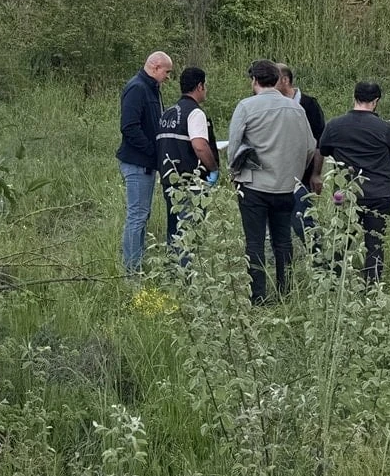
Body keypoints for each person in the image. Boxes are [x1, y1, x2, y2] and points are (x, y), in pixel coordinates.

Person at [228, 59, 316, 303]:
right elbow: (310, 147)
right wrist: (295, 171)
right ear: (277, 80)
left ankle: (257, 296)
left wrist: (234, 172)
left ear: (254, 80)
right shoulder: (296, 109)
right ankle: (285, 292)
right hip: (286, 186)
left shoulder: (246, 106)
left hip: (254, 185)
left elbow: (234, 146)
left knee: (255, 243)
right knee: (283, 241)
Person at [319, 81, 390, 283]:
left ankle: (334, 282)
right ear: (376, 101)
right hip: (379, 193)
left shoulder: (334, 125)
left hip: (347, 193)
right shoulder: (385, 128)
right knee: (375, 244)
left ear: (354, 97)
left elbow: (324, 149)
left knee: (341, 240)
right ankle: (372, 287)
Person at [116, 51, 173, 275]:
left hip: (147, 163)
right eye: (166, 72)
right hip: (138, 163)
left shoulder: (152, 89)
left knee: (141, 214)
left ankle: (136, 263)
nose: (168, 77)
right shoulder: (137, 88)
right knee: (137, 216)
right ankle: (131, 270)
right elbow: (129, 127)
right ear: (156, 66)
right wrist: (152, 150)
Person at [157, 67, 219, 264]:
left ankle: (173, 272)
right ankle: (187, 276)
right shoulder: (195, 113)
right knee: (189, 234)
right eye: (205, 86)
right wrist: (213, 168)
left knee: (174, 231)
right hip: (191, 183)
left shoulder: (168, 113)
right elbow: (200, 146)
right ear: (200, 86)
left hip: (169, 181)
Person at [275, 63, 326, 242]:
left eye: (273, 80)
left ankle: (317, 254)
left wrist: (316, 174)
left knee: (303, 221)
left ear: (285, 80)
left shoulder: (309, 105)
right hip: (277, 176)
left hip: (302, 176)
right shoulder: (272, 105)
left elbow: (319, 142)